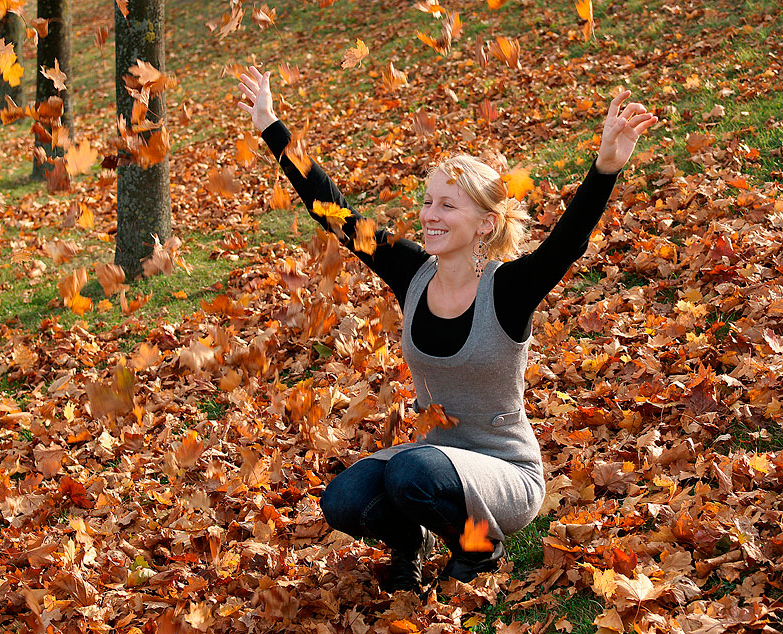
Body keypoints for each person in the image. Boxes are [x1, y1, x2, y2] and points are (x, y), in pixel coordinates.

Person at [237, 65, 657, 592]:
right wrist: (272, 127)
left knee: (410, 474)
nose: (429, 214)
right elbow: (336, 213)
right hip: (429, 462)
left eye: (447, 205)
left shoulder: (508, 288)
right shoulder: (411, 270)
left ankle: (480, 546)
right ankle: (411, 542)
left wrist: (605, 169)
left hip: (503, 472)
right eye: (429, 200)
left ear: (484, 223)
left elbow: (566, 243)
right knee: (343, 500)